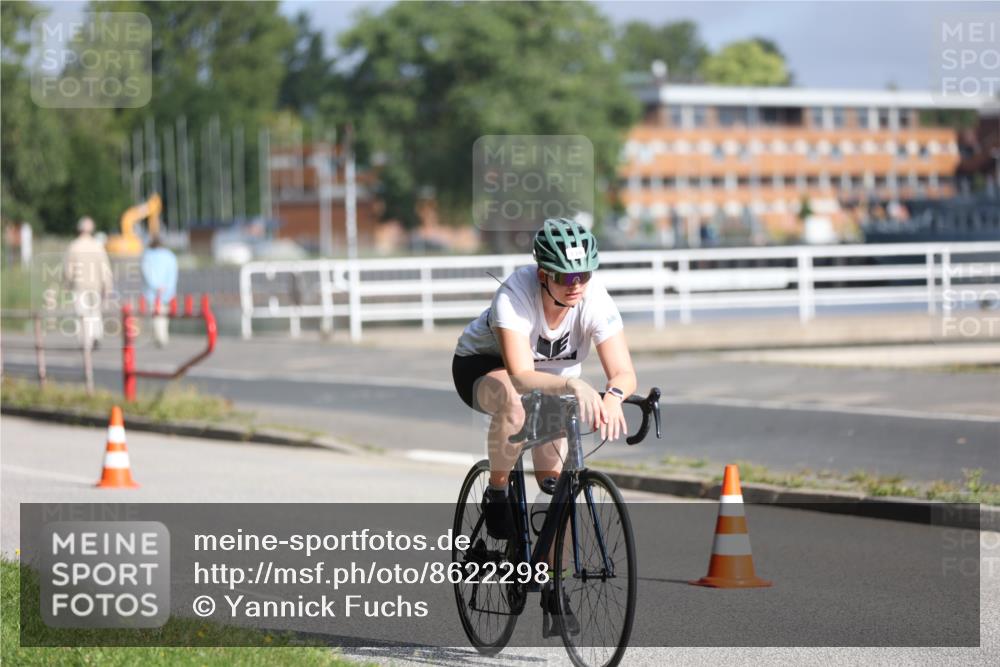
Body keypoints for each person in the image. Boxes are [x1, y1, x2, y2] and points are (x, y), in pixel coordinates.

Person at [452, 217, 637, 634]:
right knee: (515, 407)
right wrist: (574, 383)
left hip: (553, 379)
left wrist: (612, 397)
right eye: (567, 275)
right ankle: (497, 494)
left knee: (558, 485)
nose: (577, 284)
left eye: (584, 274)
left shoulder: (595, 300)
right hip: (487, 367)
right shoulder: (514, 296)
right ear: (543, 274)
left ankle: (554, 584)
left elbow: (623, 372)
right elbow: (519, 374)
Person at [63, 217, 114, 350]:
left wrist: (67, 284)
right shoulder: (97, 246)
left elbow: (68, 269)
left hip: (79, 285)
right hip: (95, 285)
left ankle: (86, 340)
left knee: (82, 313)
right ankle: (96, 335)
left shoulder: (74, 246)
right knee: (95, 312)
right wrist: (107, 286)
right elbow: (105, 268)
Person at [141, 236, 178, 347]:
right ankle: (162, 336)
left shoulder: (147, 256)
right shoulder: (170, 256)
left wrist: (156, 286)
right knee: (164, 314)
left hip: (152, 292)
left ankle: (160, 338)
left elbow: (147, 273)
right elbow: (173, 273)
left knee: (156, 314)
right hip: (167, 291)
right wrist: (169, 287)